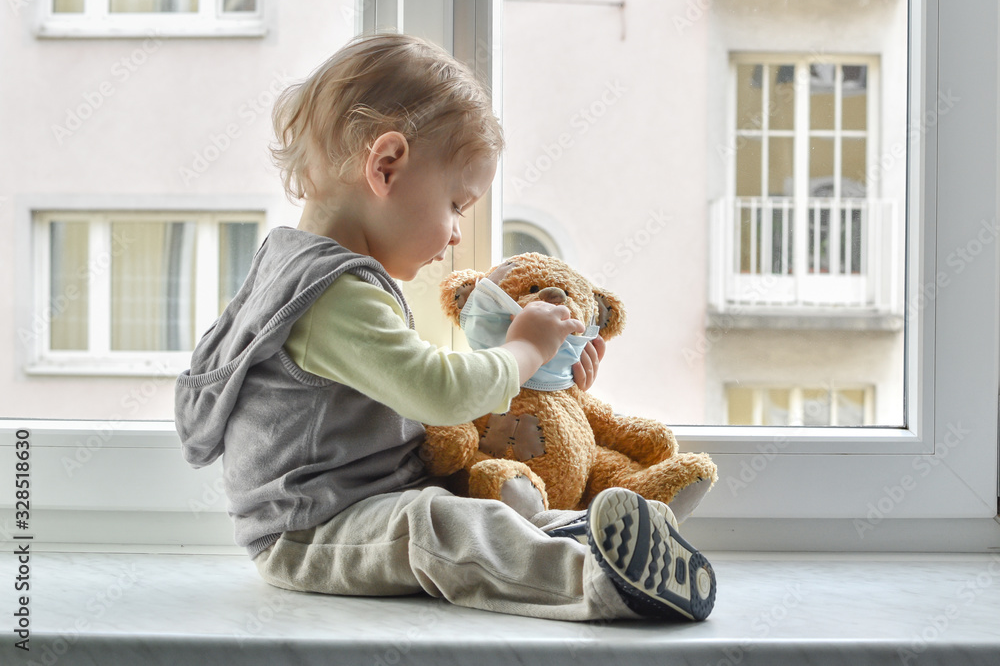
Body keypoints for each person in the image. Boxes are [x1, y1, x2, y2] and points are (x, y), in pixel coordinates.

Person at [174, 33, 715, 622]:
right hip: (311, 532)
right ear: (386, 166)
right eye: (456, 204)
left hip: (363, 508)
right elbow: (437, 391)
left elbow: (423, 395)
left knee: (486, 512)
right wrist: (525, 351)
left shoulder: (315, 275)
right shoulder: (329, 295)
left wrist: (546, 375)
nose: (457, 232)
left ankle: (591, 535)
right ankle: (599, 582)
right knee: (441, 528)